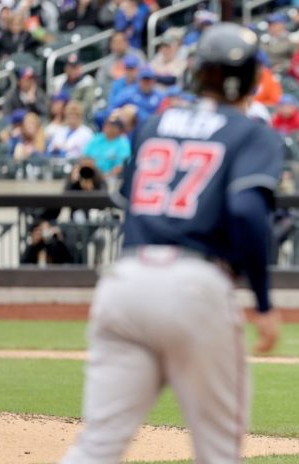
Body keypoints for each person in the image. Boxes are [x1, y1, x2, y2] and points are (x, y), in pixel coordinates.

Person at [60, 22, 284, 464]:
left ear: (197, 71)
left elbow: (127, 199)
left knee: (97, 446)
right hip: (196, 283)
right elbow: (246, 213)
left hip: (125, 280)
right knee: (218, 452)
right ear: (251, 79)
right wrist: (261, 299)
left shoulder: (155, 122)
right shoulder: (252, 133)